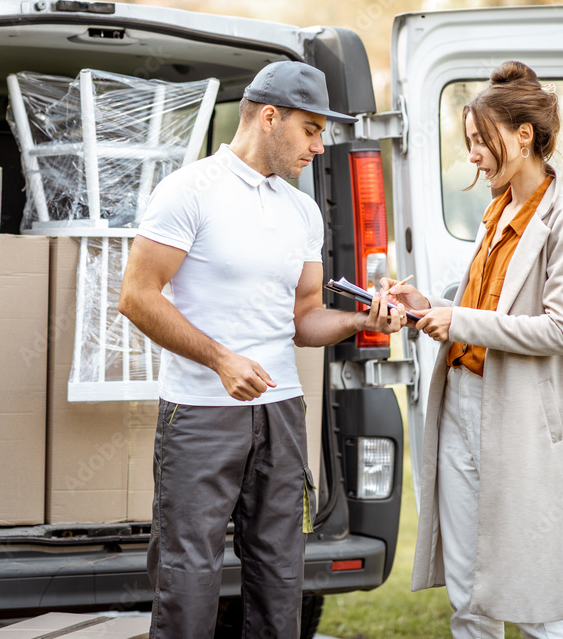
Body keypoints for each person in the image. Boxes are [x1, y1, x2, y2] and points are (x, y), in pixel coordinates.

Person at [118, 60, 407, 639]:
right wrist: (220, 359)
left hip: (280, 413)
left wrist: (359, 320)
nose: (319, 147)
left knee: (280, 572)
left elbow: (302, 320)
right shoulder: (188, 190)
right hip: (200, 414)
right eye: (310, 129)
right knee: (188, 571)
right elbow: (136, 296)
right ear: (269, 117)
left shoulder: (300, 209)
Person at [386, 61, 563, 638]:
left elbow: (560, 330)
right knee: (469, 590)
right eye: (470, 143)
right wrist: (428, 306)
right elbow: (485, 308)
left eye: (482, 141)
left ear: (523, 135)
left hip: (521, 418)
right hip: (460, 406)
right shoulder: (495, 213)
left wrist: (462, 322)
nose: (473, 156)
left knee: (533, 591)